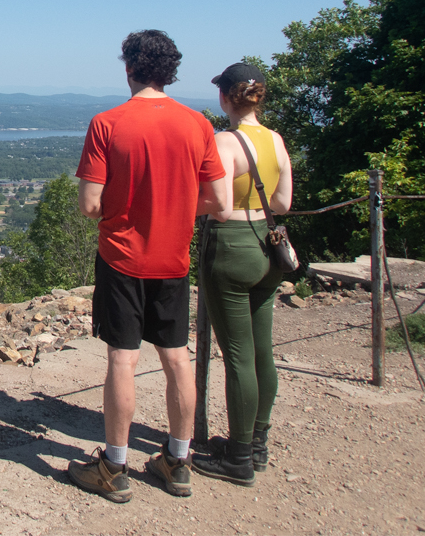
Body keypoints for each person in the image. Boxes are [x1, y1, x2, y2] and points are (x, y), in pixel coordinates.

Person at [66, 30, 227, 503]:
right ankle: (178, 460)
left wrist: (127, 206)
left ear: (128, 67)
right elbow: (219, 200)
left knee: (123, 356)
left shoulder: (107, 123)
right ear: (171, 71)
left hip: (122, 258)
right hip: (174, 260)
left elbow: (89, 206)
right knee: (177, 355)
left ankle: (113, 468)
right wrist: (174, 209)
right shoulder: (197, 124)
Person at [189, 63, 292, 487]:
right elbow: (283, 202)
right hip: (268, 247)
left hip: (231, 248)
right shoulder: (275, 140)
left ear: (225, 97)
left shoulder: (225, 142)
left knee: (237, 356)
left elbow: (221, 206)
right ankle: (258, 445)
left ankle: (237, 456)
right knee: (262, 350)